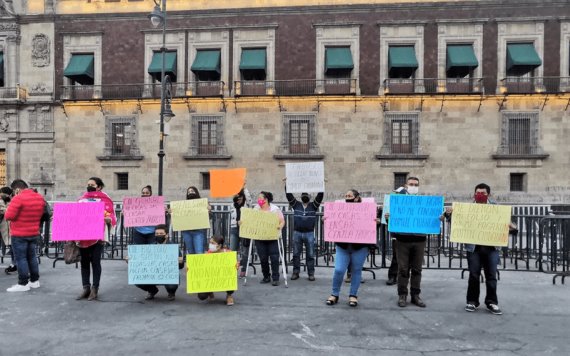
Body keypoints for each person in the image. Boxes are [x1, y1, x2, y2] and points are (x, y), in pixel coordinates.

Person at [443, 183, 515, 315]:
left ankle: (492, 302)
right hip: (474, 248)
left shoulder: (496, 209)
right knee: (474, 275)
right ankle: (472, 301)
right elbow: (454, 222)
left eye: (483, 193)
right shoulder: (467, 208)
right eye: (478, 193)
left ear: (489, 194)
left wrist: (512, 227)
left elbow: (511, 228)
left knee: (491, 276)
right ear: (474, 194)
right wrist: (449, 214)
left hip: (492, 248)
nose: (480, 195)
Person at [325, 189, 375, 307]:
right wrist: (327, 220)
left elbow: (371, 226)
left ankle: (353, 295)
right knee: (339, 270)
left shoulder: (366, 210)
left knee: (356, 271)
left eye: (350, 196)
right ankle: (334, 294)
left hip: (360, 247)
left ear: (357, 198)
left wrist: (375, 222)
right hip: (343, 246)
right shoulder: (339, 208)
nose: (347, 197)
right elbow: (334, 223)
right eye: (346, 195)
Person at [386, 177, 428, 308]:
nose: (414, 186)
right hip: (402, 240)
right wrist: (388, 219)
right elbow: (391, 221)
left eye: (416, 184)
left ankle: (415, 295)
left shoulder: (424, 202)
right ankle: (402, 295)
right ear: (406, 185)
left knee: (417, 269)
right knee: (403, 269)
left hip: (419, 240)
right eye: (411, 184)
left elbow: (429, 218)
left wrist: (440, 217)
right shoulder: (398, 200)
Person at [76, 177, 117, 301]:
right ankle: (85, 288)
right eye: (88, 184)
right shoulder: (81, 199)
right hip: (83, 235)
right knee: (84, 262)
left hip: (97, 235)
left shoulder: (105, 199)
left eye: (92, 184)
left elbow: (110, 215)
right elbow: (74, 214)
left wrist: (108, 219)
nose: (89, 186)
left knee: (95, 261)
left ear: (99, 187)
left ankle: (95, 288)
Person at [4, 179, 45, 292]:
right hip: (33, 232)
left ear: (17, 189)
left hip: (19, 234)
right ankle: (34, 281)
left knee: (21, 258)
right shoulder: (39, 197)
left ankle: (23, 283)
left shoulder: (18, 198)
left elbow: (9, 216)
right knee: (32, 257)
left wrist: (9, 206)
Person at [285, 182, 323, 281]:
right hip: (297, 233)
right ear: (301, 197)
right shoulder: (296, 205)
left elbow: (320, 196)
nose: (305, 196)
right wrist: (286, 183)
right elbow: (289, 195)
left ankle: (311, 273)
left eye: (306, 195)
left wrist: (322, 184)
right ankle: (295, 272)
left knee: (310, 254)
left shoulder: (313, 206)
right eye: (303, 195)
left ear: (309, 197)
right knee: (296, 254)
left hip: (309, 233)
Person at [135, 224, 183, 301]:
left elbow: (181, 267)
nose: (159, 235)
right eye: (157, 234)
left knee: (172, 285)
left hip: (168, 274)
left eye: (161, 234)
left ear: (166, 235)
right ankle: (152, 290)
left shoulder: (173, 247)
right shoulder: (150, 247)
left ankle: (171, 292)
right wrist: (131, 260)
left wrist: (180, 262)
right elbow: (142, 263)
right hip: (153, 273)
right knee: (138, 281)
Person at [254, 191, 285, 286]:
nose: (258, 200)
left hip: (272, 237)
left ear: (266, 199)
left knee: (274, 257)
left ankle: (275, 278)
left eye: (260, 198)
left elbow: (282, 221)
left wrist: (280, 226)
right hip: (260, 237)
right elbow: (251, 221)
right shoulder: (256, 209)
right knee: (263, 258)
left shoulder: (275, 209)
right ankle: (266, 276)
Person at [197, 235, 238, 306]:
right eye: (210, 242)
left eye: (213, 243)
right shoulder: (208, 254)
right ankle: (209, 291)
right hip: (211, 277)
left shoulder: (228, 254)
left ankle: (229, 295)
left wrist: (236, 265)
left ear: (219, 246)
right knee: (202, 296)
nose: (210, 245)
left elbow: (234, 267)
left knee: (231, 277)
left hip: (224, 277)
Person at [229, 186, 252, 278]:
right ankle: (233, 269)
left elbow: (249, 199)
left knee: (245, 251)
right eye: (237, 198)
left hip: (245, 229)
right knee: (232, 250)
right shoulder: (233, 205)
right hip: (234, 229)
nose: (238, 199)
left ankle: (244, 269)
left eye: (240, 197)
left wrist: (245, 187)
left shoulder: (247, 204)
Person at [180, 186, 209, 255]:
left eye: (192, 191)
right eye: (189, 192)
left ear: (196, 192)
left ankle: (200, 266)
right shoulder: (183, 205)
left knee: (199, 253)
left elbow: (209, 217)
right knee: (191, 253)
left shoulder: (203, 204)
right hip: (186, 231)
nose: (190, 193)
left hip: (198, 231)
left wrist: (209, 210)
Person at [1, 186, 16, 274]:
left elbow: (7, 212)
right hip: (6, 228)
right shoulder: (5, 201)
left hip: (10, 229)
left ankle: (14, 264)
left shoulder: (11, 201)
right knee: (12, 247)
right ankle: (14, 263)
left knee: (13, 247)